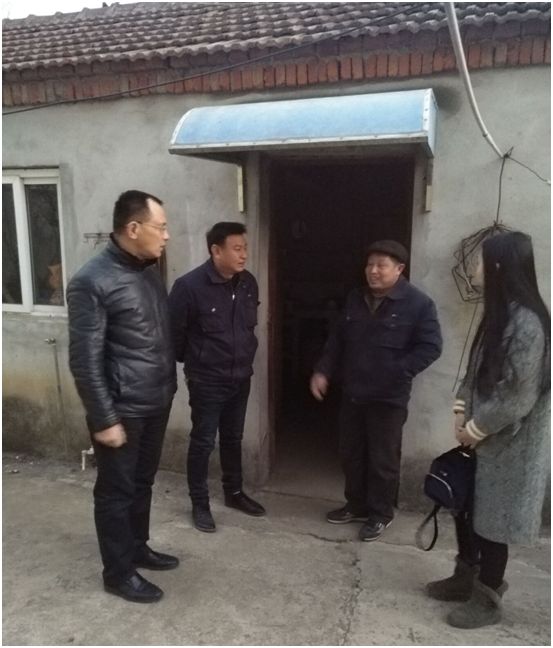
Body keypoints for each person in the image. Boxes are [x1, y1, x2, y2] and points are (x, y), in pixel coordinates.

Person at [427, 231, 550, 629]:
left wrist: (476, 428)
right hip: (483, 440)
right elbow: (474, 371)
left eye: (479, 261)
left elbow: (518, 397)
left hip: (510, 446)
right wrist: (461, 412)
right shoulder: (501, 314)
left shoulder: (527, 324)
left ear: (498, 266)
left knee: (494, 525)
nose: (474, 268)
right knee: (468, 509)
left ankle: (488, 600)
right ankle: (466, 577)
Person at [67, 190, 178, 603]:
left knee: (143, 482)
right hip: (121, 410)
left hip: (155, 401)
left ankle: (137, 547)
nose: (166, 235)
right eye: (160, 227)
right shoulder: (91, 281)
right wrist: (104, 419)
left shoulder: (148, 273)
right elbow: (84, 360)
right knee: (116, 492)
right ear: (133, 228)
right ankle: (117, 573)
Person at [311, 240, 442, 541]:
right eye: (370, 264)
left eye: (381, 265)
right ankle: (356, 505)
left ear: (399, 269)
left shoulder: (418, 304)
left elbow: (431, 347)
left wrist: (398, 371)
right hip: (353, 392)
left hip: (388, 398)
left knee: (383, 460)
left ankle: (381, 513)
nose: (373, 271)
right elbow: (337, 340)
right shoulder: (356, 299)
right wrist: (322, 371)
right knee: (351, 453)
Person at [168, 222, 265, 533]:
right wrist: (197, 364)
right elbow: (174, 337)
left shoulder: (248, 283)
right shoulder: (189, 287)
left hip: (240, 377)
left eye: (245, 248)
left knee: (233, 438)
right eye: (237, 249)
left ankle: (234, 493)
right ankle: (200, 503)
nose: (244, 255)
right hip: (207, 379)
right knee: (203, 442)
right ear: (216, 251)